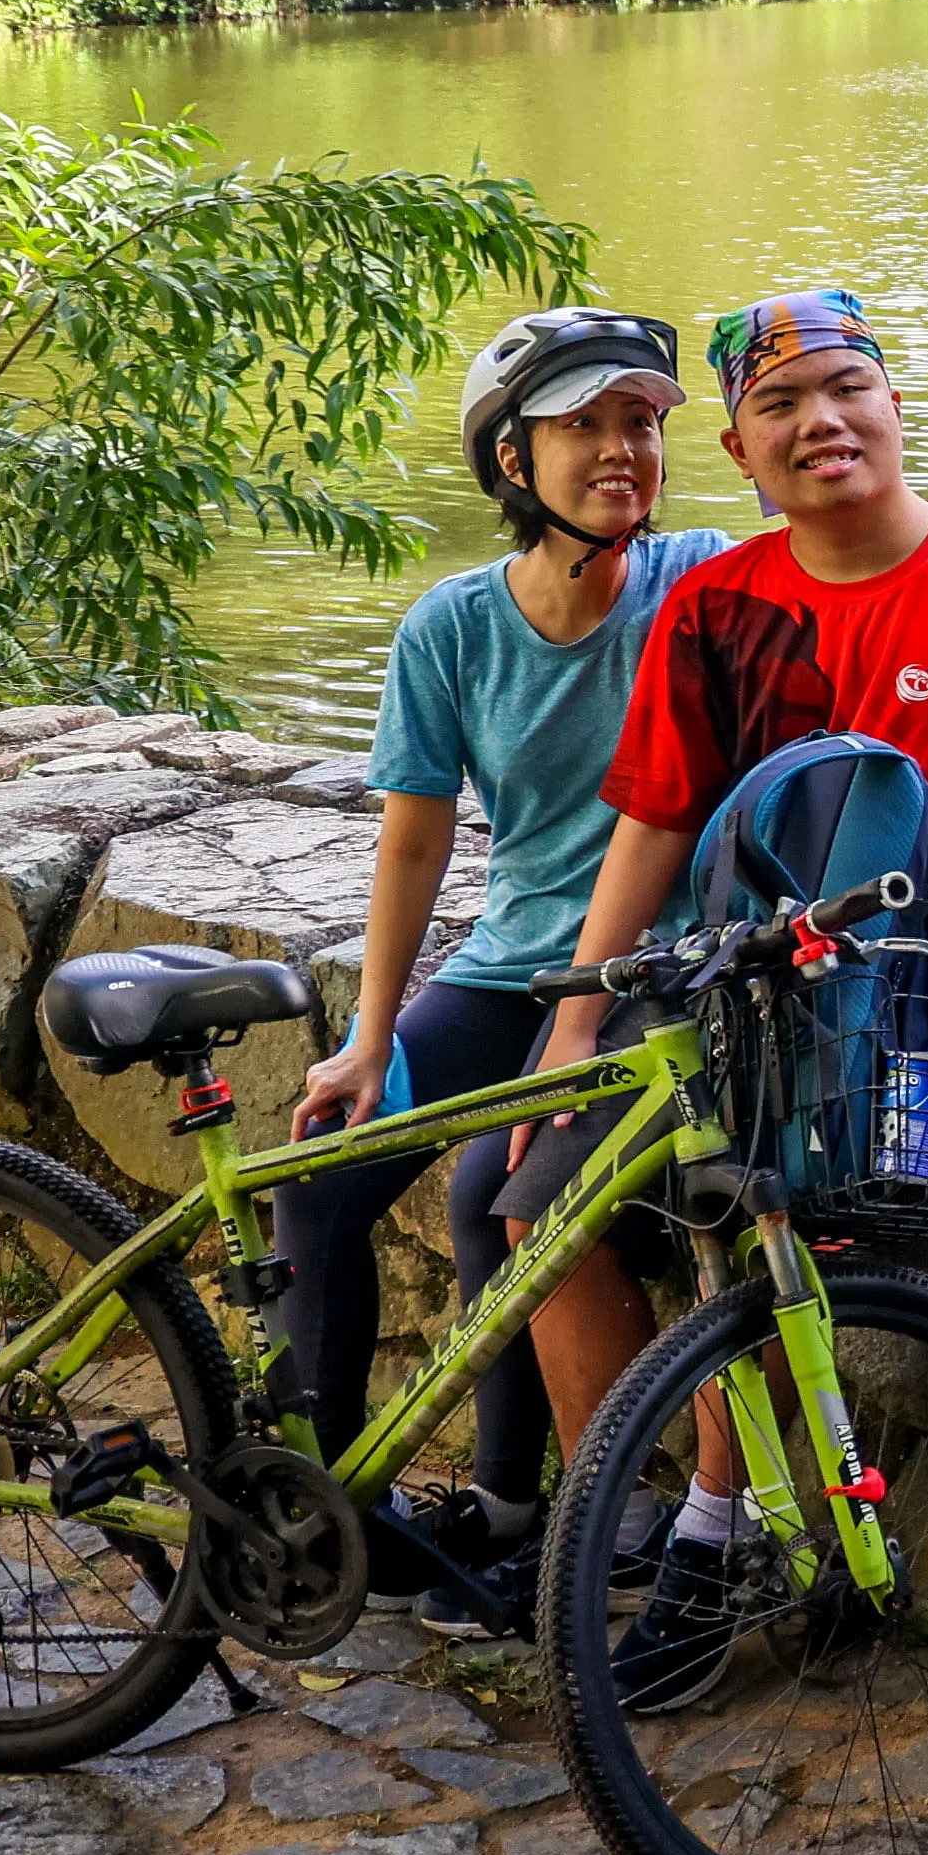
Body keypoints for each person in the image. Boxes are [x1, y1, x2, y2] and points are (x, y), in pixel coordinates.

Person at [543, 283, 928, 1702]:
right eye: (779, 404)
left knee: (777, 1215)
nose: (821, 421)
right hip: (736, 985)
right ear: (741, 451)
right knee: (538, 1200)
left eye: (846, 388)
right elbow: (656, 819)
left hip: (914, 1007)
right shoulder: (718, 605)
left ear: (893, 403)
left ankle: (718, 1535)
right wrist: (572, 1022)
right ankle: (608, 1528)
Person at [280, 309, 719, 1631]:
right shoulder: (453, 628)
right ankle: (331, 1515)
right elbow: (415, 843)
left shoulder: (702, 580)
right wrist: (370, 1036)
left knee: (493, 1192)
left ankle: (514, 1505)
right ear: (513, 461)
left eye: (640, 423)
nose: (623, 449)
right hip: (507, 966)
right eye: (585, 426)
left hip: (649, 973)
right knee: (320, 1178)